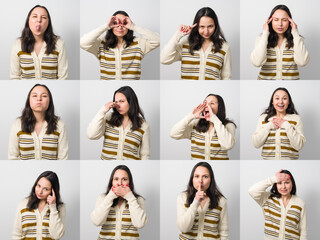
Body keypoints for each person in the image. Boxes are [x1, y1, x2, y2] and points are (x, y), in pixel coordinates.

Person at [80, 10, 160, 80]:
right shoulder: (101, 44)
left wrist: (133, 26)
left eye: (124, 23)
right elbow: (83, 43)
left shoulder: (138, 44)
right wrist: (106, 26)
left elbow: (158, 40)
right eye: (115, 23)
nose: (120, 27)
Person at [161, 7, 231, 80]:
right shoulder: (185, 44)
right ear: (196, 26)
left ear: (215, 26)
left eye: (210, 26)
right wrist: (178, 35)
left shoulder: (224, 47)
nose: (206, 31)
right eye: (202, 27)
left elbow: (226, 77)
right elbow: (164, 59)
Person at [87, 86, 150, 160]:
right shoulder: (108, 118)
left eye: (122, 101)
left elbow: (145, 155)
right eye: (116, 102)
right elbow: (91, 135)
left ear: (131, 102)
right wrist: (102, 111)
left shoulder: (143, 126)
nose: (118, 105)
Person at [8, 84, 68, 160]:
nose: (39, 99)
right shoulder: (17, 124)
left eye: (44, 96)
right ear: (29, 100)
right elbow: (12, 157)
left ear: (50, 101)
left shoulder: (59, 125)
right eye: (34, 96)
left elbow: (63, 158)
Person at [250, 4, 309, 80]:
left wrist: (295, 33)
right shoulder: (262, 38)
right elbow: (257, 63)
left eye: (284, 20)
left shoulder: (297, 39)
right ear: (270, 21)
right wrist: (265, 33)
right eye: (276, 20)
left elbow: (302, 62)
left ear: (290, 21)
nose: (280, 24)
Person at [170, 94, 236, 160]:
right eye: (205, 103)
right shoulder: (195, 123)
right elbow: (173, 134)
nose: (207, 105)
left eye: (212, 103)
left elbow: (228, 145)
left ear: (220, 107)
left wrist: (215, 119)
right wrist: (190, 116)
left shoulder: (228, 125)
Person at [10, 5, 68, 80]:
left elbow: (63, 78)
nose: (39, 20)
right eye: (35, 16)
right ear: (28, 21)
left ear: (48, 23)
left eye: (43, 17)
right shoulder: (17, 44)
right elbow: (14, 77)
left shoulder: (59, 44)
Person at [91, 165, 147, 239]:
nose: (120, 183)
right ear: (112, 182)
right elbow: (97, 222)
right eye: (116, 179)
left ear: (129, 181)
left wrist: (130, 197)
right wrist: (110, 197)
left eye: (124, 179)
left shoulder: (138, 200)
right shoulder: (103, 198)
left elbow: (140, 224)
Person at [249, 169, 307, 239]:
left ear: (292, 184)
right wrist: (272, 179)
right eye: (279, 183)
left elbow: (303, 230)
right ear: (275, 185)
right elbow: (252, 191)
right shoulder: (267, 198)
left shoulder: (300, 203)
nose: (283, 187)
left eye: (287, 182)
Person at [177, 162, 228, 239]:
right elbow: (183, 228)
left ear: (211, 179)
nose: (200, 181)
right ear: (192, 179)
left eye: (205, 176)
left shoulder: (221, 201)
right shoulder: (183, 197)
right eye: (196, 176)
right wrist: (196, 201)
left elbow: (224, 231)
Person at [252, 87, 305, 160]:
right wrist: (269, 125)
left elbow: (299, 146)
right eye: (277, 98)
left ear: (289, 101)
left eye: (284, 98)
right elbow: (256, 144)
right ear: (272, 102)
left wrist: (286, 125)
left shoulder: (296, 119)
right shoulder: (263, 118)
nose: (280, 102)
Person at [12, 171, 66, 239]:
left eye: (46, 189)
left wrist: (53, 207)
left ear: (53, 191)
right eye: (39, 186)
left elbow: (57, 235)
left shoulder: (60, 208)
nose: (40, 191)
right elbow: (16, 234)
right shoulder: (23, 204)